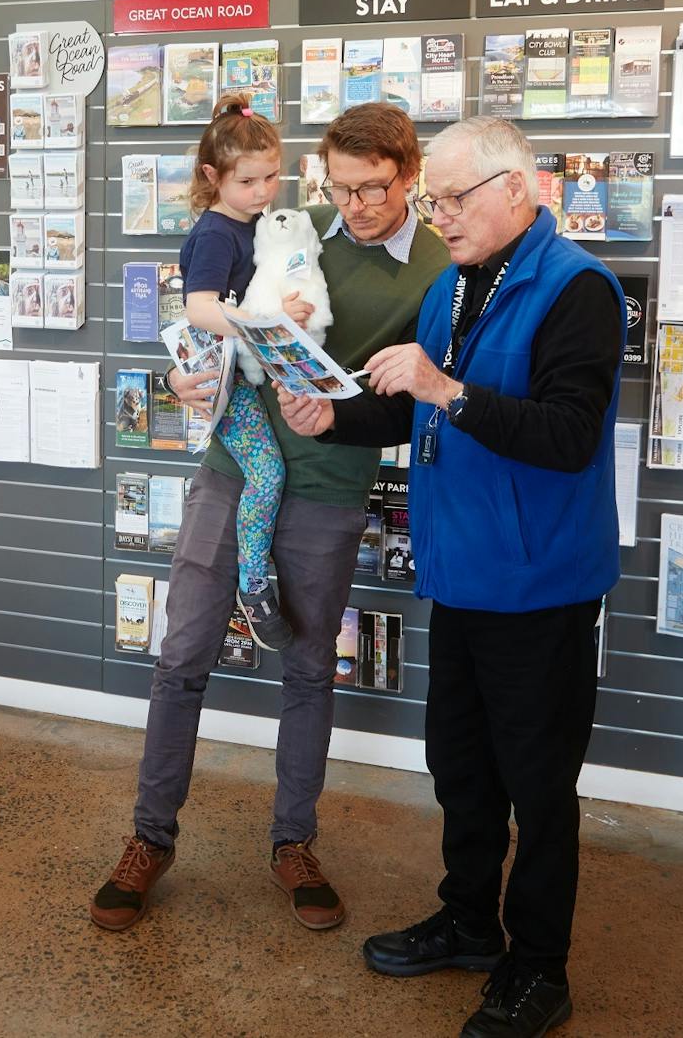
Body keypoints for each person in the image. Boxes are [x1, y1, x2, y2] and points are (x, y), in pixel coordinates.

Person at [279, 116, 625, 1038]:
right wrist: (331, 420)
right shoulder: (455, 285)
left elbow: (567, 436)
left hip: (541, 585)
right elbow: (403, 408)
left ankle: (539, 967)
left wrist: (449, 391)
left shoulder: (579, 289)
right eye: (433, 199)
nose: (438, 215)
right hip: (460, 575)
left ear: (517, 188)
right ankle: (470, 920)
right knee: (461, 770)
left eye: (451, 199)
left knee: (540, 786)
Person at [92, 103, 449, 933]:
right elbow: (210, 312)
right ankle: (150, 838)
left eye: (372, 189)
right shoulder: (290, 221)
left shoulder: (437, 267)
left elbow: (421, 405)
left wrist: (347, 415)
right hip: (231, 468)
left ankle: (294, 843)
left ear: (411, 177)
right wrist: (185, 380)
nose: (352, 205)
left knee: (308, 664)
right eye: (341, 186)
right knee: (181, 655)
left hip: (329, 483)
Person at [173, 93, 302, 649]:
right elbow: (198, 307)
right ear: (212, 176)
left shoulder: (259, 223)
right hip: (224, 376)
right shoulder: (214, 233)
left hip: (249, 365)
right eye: (248, 182)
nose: (263, 192)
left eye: (272, 177)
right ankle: (254, 587)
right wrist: (265, 322)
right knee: (267, 474)